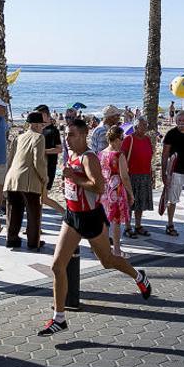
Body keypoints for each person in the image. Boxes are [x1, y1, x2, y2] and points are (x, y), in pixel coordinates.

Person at [38, 119, 152, 336]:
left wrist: (75, 177)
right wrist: (67, 184)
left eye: (71, 134)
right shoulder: (70, 155)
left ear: (83, 135)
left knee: (107, 261)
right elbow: (74, 183)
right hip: (72, 216)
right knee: (57, 266)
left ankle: (139, 276)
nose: (67, 138)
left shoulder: (89, 158)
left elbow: (99, 187)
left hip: (91, 217)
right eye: (66, 134)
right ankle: (59, 318)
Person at [3, 112, 48, 251]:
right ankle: (33, 242)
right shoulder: (39, 137)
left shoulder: (19, 137)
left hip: (12, 178)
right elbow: (38, 160)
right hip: (29, 179)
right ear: (36, 125)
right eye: (41, 125)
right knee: (33, 212)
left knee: (14, 210)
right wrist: (44, 177)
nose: (42, 127)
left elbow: (10, 158)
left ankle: (12, 239)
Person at [100, 126, 135, 258]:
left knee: (105, 220)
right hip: (116, 191)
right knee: (116, 220)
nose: (123, 141)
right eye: (121, 138)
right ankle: (117, 249)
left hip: (104, 191)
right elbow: (124, 176)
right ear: (115, 139)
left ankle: (104, 248)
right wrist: (131, 193)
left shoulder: (101, 153)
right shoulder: (118, 155)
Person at [121, 116, 153, 238]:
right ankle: (128, 227)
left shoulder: (147, 139)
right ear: (135, 127)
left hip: (145, 174)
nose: (145, 127)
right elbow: (122, 156)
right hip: (131, 175)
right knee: (130, 202)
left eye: (146, 124)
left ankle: (138, 225)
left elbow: (150, 156)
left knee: (141, 202)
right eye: (143, 125)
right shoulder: (129, 139)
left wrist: (151, 172)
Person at [36, 105, 65, 213]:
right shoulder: (39, 129)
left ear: (45, 115)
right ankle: (37, 226)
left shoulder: (53, 131)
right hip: (38, 166)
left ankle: (65, 214)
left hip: (49, 167)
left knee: (43, 198)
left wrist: (43, 151)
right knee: (40, 198)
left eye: (38, 115)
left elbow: (59, 149)